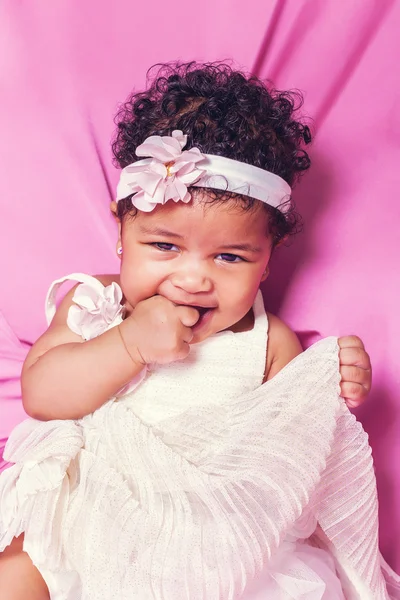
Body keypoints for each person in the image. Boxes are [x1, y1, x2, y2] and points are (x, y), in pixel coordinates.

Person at [0, 62, 397, 600]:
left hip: (212, 549)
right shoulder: (99, 303)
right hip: (90, 517)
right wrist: (127, 343)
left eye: (229, 257)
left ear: (268, 262)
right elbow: (44, 396)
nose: (192, 279)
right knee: (19, 569)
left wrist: (332, 386)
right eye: (163, 246)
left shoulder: (267, 342)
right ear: (121, 231)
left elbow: (296, 463)